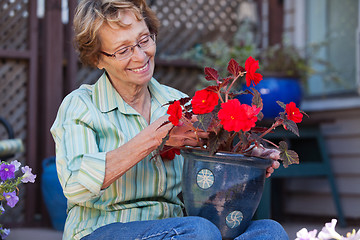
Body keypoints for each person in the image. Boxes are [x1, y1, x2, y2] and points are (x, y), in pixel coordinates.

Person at [50, 0, 288, 239]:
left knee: (269, 231)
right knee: (198, 231)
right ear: (97, 59)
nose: (141, 56)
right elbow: (75, 186)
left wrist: (243, 158)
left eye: (144, 40)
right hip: (102, 230)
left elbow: (207, 168)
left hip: (177, 230)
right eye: (123, 50)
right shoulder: (81, 105)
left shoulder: (177, 101)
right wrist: (153, 138)